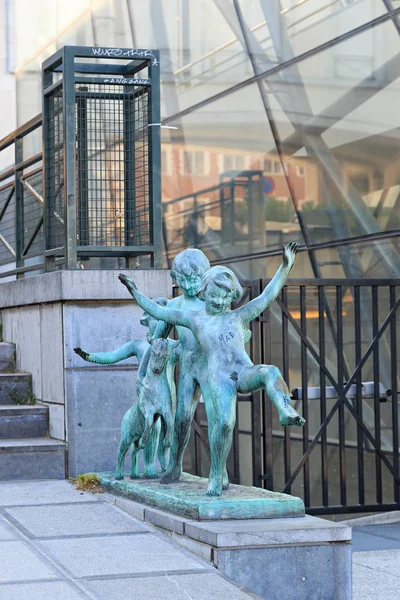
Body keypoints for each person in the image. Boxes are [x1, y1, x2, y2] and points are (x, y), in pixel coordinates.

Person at [119, 242, 305, 496]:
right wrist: (134, 291)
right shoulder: (191, 316)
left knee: (263, 379)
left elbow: (266, 297)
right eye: (214, 295)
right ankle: (188, 469)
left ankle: (284, 410)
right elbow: (157, 312)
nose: (218, 300)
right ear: (204, 293)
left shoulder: (235, 315)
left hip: (230, 369)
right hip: (203, 371)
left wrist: (285, 266)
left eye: (224, 297)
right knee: (200, 421)